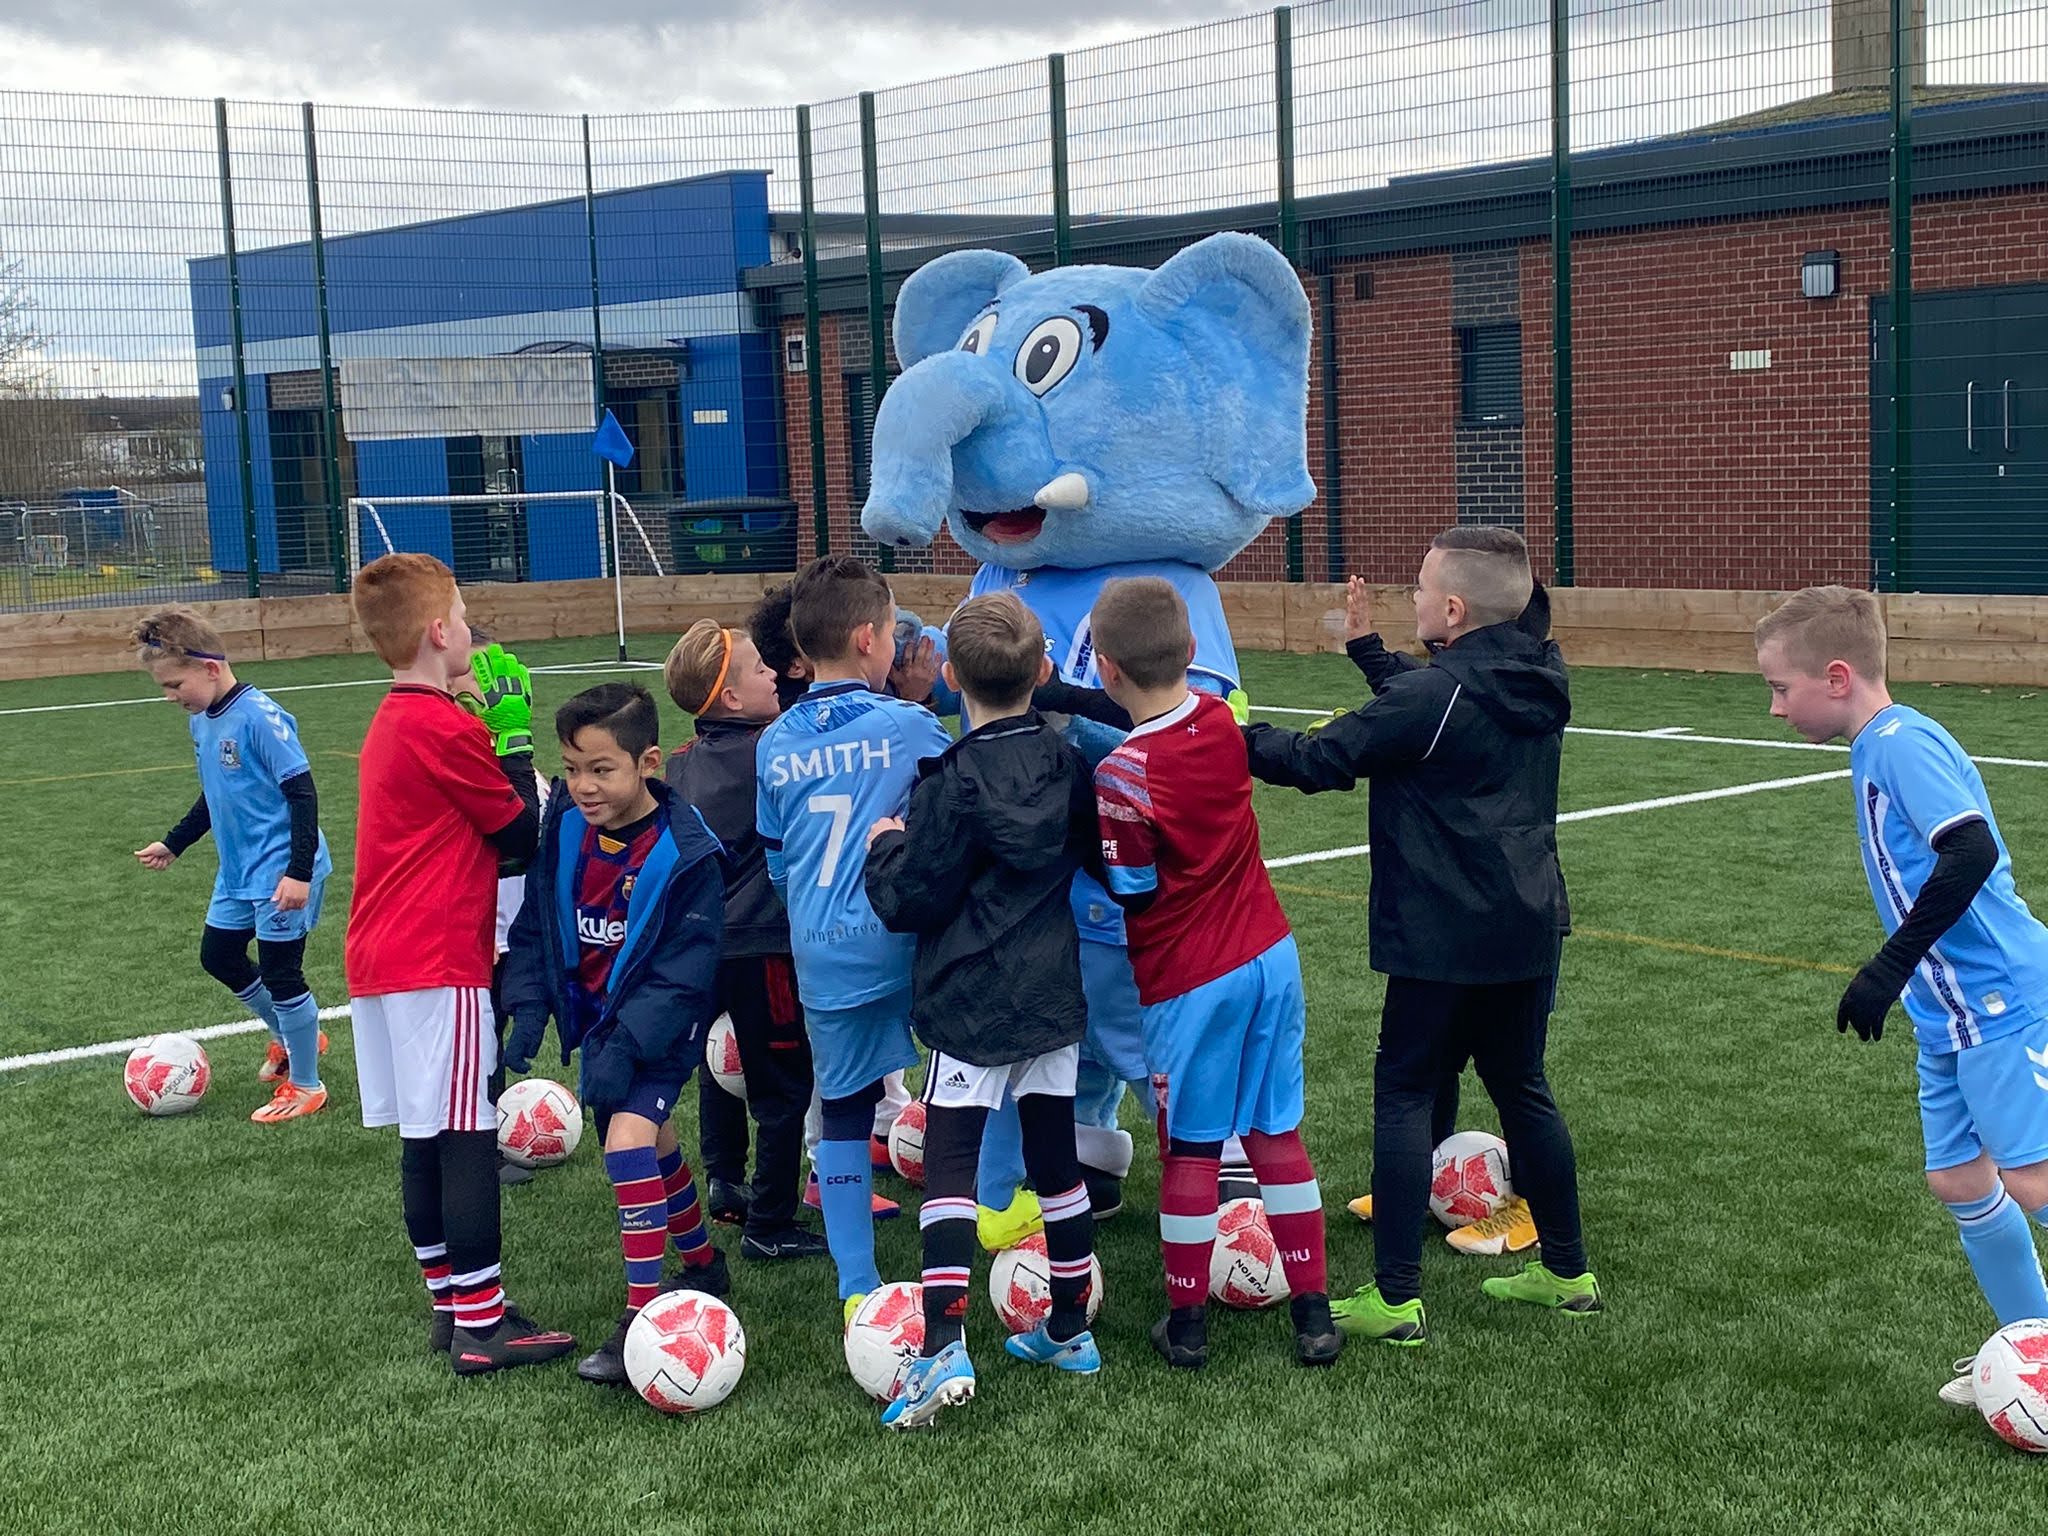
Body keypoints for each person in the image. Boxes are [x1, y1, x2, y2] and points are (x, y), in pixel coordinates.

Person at [1240, 527, 1599, 1345]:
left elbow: (1317, 758)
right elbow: (1431, 700)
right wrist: (1368, 650)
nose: (1412, 598)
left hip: (1442, 931)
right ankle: (1568, 1272)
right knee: (1522, 1085)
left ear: (1454, 609)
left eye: (1420, 588)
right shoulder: (1538, 673)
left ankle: (1396, 1298)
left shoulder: (1434, 698)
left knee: (1404, 1090)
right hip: (1527, 920)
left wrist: (1216, 730)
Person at [1757, 585, 2048, 1407]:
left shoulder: (1901, 742)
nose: (1775, 708)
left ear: (1836, 676)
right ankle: (2033, 1349)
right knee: (1959, 1179)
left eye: (1780, 688)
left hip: (1997, 997)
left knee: (2032, 1180)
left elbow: (1971, 853)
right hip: (1945, 1011)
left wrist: (1888, 966)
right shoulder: (1873, 746)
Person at [1089, 576, 1341, 1371]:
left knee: (1193, 1149)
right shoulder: (1222, 722)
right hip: (1271, 954)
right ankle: (1314, 1315)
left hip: (1191, 976)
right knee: (1275, 1132)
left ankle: (1188, 1323)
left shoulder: (1120, 774)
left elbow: (1132, 889)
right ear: (1193, 650)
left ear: (1106, 669)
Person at [864, 593, 1104, 1428]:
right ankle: (1069, 1328)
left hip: (971, 993)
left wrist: (885, 848)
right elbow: (1095, 856)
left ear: (951, 677)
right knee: (1056, 1157)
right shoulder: (1070, 765)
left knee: (952, 1164)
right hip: (1049, 989)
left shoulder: (950, 781)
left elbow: (913, 897)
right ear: (1042, 670)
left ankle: (942, 1346)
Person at [344, 553, 574, 1376]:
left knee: (425, 1136)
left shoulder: (399, 715)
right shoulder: (442, 726)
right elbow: (518, 835)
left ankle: (452, 1306)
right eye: (466, 617)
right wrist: (510, 737)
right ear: (439, 632)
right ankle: (482, 1326)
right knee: (467, 1134)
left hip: (382, 955)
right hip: (436, 955)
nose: (474, 631)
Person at [498, 682, 730, 1385]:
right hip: (601, 1022)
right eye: (572, 768)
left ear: (648, 763)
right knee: (653, 1142)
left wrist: (627, 1044)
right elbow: (539, 920)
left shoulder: (687, 852)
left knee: (626, 1140)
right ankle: (702, 1262)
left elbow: (684, 973)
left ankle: (640, 1317)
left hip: (661, 1024)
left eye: (602, 769)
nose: (583, 785)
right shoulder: (567, 825)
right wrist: (528, 1001)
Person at [755, 554, 952, 1325]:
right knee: (967, 1084)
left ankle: (856, 1287)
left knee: (841, 1110)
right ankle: (993, 1229)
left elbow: (778, 865)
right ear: (869, 639)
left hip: (824, 952)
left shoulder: (775, 743)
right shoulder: (910, 726)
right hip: (910, 943)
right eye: (894, 628)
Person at [662, 618, 828, 1262]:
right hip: (764, 944)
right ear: (731, 698)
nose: (774, 675)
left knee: (717, 1060)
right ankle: (770, 1221)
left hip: (700, 946)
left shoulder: (680, 763)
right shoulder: (774, 751)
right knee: (783, 1084)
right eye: (761, 669)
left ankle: (724, 1179)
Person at [131, 606, 333, 1123]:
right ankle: (291, 1035)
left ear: (210, 668)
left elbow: (303, 794)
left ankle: (306, 1085)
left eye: (175, 684)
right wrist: (174, 843)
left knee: (282, 974)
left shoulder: (260, 717)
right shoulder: (201, 720)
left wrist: (299, 872)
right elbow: (215, 794)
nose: (170, 696)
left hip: (281, 870)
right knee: (219, 955)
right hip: (238, 871)